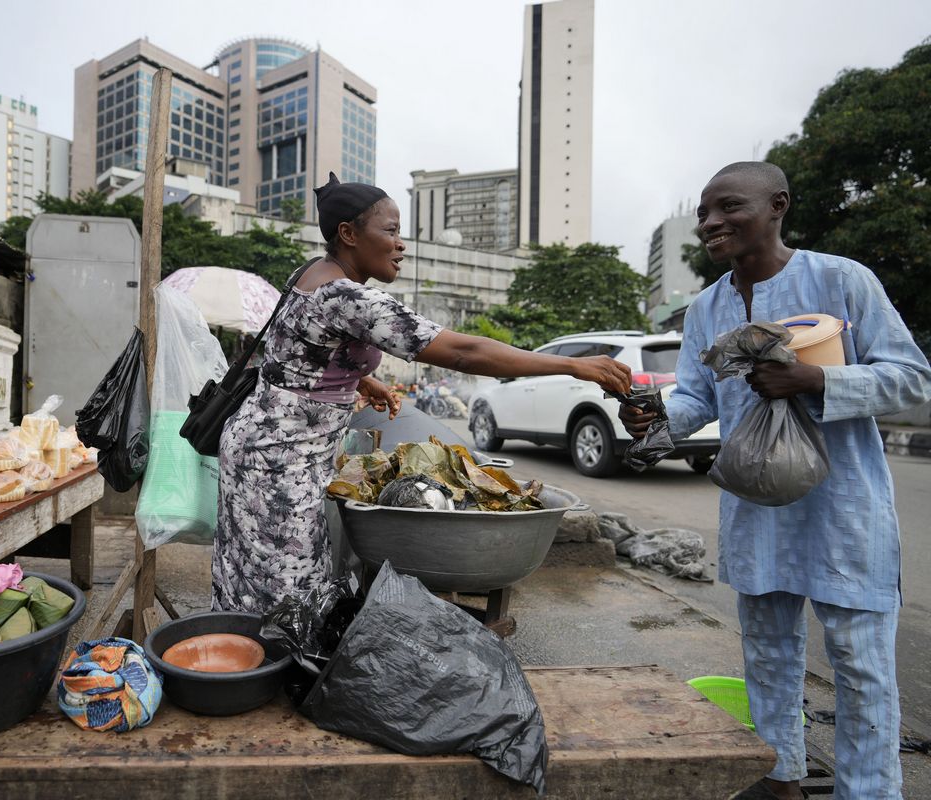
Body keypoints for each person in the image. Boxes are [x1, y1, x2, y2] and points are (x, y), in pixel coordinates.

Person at [619, 161, 931, 800]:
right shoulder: (707, 306)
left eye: (727, 207)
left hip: (842, 505)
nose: (711, 223)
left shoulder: (841, 280)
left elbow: (912, 377)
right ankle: (780, 776)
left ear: (778, 206)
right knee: (766, 653)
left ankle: (867, 791)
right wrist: (655, 415)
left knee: (859, 662)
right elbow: (699, 399)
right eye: (705, 213)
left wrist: (815, 380)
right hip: (756, 503)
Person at [213, 173, 632, 614]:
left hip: (263, 445)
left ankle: (249, 663)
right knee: (283, 587)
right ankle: (259, 673)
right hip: (278, 459)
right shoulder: (348, 297)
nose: (401, 244)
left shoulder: (313, 273)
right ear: (349, 234)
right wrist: (575, 365)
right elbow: (465, 352)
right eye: (390, 231)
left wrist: (360, 379)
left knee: (256, 577)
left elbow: (297, 358)